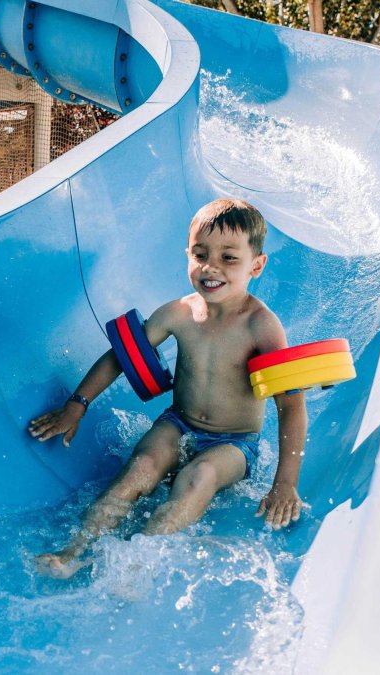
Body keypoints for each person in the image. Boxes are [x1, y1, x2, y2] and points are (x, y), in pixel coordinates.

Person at [28, 198, 309, 579]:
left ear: (256, 265)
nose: (211, 267)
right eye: (200, 253)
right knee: (141, 468)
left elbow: (290, 405)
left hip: (234, 442)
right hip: (178, 423)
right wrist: (76, 406)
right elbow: (120, 358)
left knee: (201, 476)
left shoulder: (262, 327)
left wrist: (285, 484)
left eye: (229, 258)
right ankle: (73, 552)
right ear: (187, 254)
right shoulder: (178, 312)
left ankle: (134, 564)